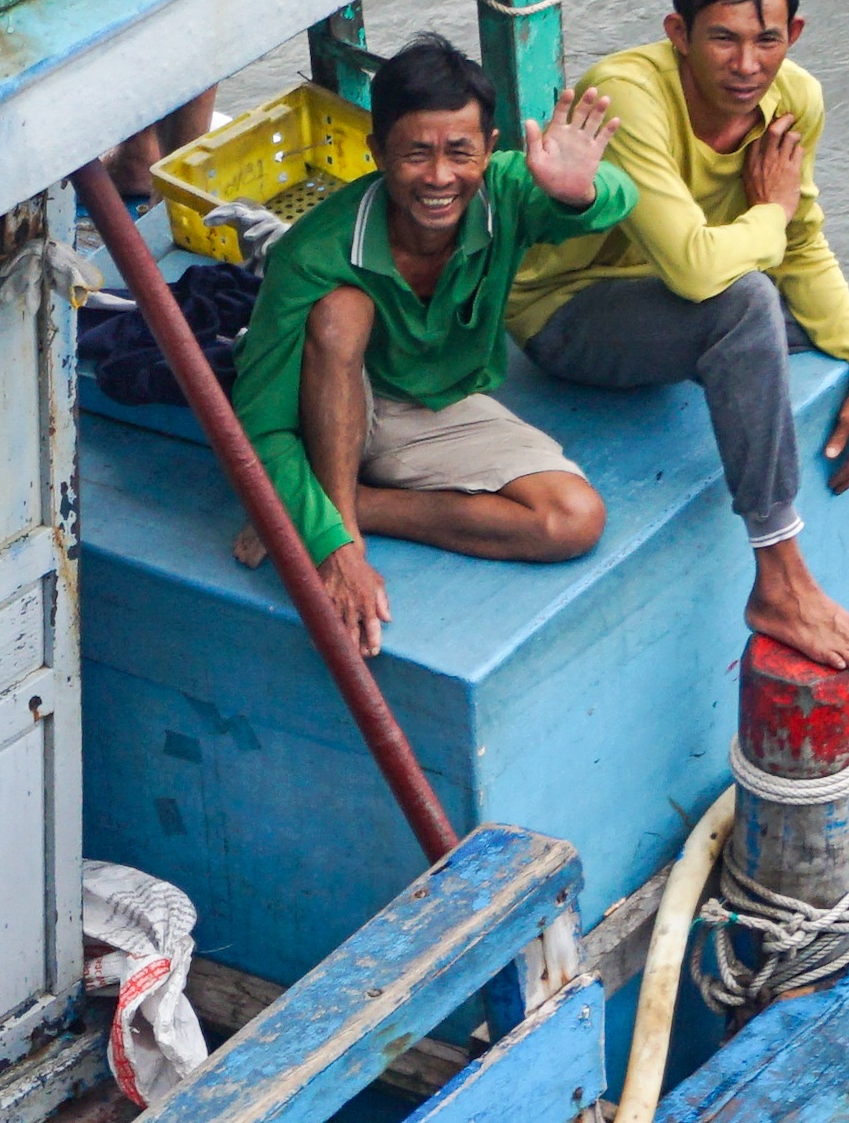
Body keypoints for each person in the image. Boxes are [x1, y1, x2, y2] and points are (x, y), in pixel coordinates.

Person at [507, 0, 849, 674]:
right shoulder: (628, 95)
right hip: (572, 313)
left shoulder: (795, 100)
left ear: (793, 35)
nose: (747, 64)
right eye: (722, 38)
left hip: (716, 281)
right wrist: (771, 214)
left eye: (766, 40)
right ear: (677, 34)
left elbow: (802, 243)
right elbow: (699, 270)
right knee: (743, 299)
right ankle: (780, 578)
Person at [228, 35, 629, 658]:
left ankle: (353, 505)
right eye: (416, 153)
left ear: (491, 149)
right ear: (377, 153)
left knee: (574, 519)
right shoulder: (313, 250)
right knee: (341, 312)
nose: (440, 177)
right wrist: (338, 552)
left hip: (432, 407)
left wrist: (576, 192)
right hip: (327, 409)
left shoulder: (509, 188)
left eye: (460, 152)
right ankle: (340, 520)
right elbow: (262, 428)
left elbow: (617, 199)